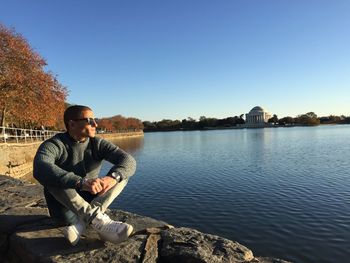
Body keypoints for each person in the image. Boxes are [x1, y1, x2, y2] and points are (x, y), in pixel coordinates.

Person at [33, 105, 136, 246]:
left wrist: (112, 178)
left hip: (91, 204)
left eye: (95, 119)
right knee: (51, 178)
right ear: (72, 124)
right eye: (89, 120)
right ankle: (96, 220)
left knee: (122, 175)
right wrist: (80, 182)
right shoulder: (54, 145)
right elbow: (40, 167)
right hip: (64, 213)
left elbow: (128, 160)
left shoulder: (97, 143)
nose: (95, 124)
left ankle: (84, 224)